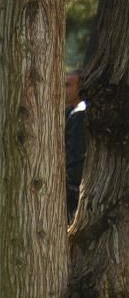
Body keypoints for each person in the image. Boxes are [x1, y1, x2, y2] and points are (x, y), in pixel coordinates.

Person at [65, 71, 87, 222]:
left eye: (68, 85)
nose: (63, 89)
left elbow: (76, 154)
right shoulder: (73, 112)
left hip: (75, 190)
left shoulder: (79, 114)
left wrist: (71, 185)